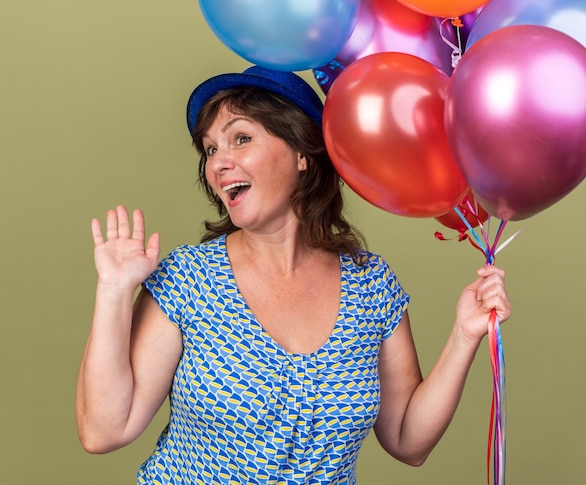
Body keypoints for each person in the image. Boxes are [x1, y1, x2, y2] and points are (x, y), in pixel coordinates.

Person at [75, 65, 511, 484]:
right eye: (210, 149)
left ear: (302, 153)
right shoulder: (188, 280)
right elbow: (104, 431)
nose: (218, 164)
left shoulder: (371, 285)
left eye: (240, 138)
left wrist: (464, 335)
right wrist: (114, 291)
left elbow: (407, 441)